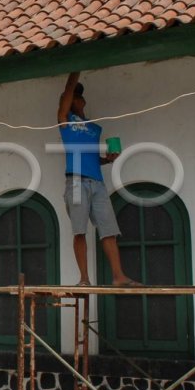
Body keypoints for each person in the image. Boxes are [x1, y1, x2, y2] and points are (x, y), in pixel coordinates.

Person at [57, 71, 139, 287]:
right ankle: (84, 279)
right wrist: (74, 73)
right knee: (79, 230)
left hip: (97, 182)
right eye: (75, 94)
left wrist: (108, 160)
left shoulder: (92, 127)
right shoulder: (65, 121)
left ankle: (118, 276)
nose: (79, 97)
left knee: (109, 230)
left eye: (78, 94)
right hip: (75, 181)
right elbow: (64, 99)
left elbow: (90, 157)